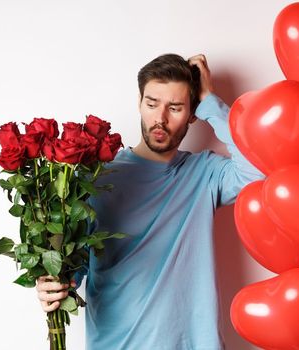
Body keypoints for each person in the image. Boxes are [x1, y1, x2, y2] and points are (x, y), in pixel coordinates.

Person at [35, 53, 264, 349]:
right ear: (140, 103)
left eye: (176, 107)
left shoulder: (205, 174)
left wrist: (208, 99)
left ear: (193, 113)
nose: (160, 118)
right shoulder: (97, 179)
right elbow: (71, 270)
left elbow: (258, 168)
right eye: (152, 103)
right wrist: (52, 286)